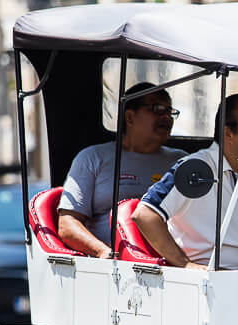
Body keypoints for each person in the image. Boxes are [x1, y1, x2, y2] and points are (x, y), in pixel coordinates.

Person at [133, 93, 238, 269]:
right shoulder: (194, 167)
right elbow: (144, 214)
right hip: (203, 281)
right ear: (228, 133)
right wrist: (186, 265)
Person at [57, 83, 187, 257]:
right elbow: (67, 224)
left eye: (169, 111)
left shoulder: (182, 162)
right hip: (112, 266)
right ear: (130, 117)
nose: (166, 117)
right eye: (157, 108)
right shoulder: (92, 158)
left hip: (172, 265)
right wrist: (103, 252)